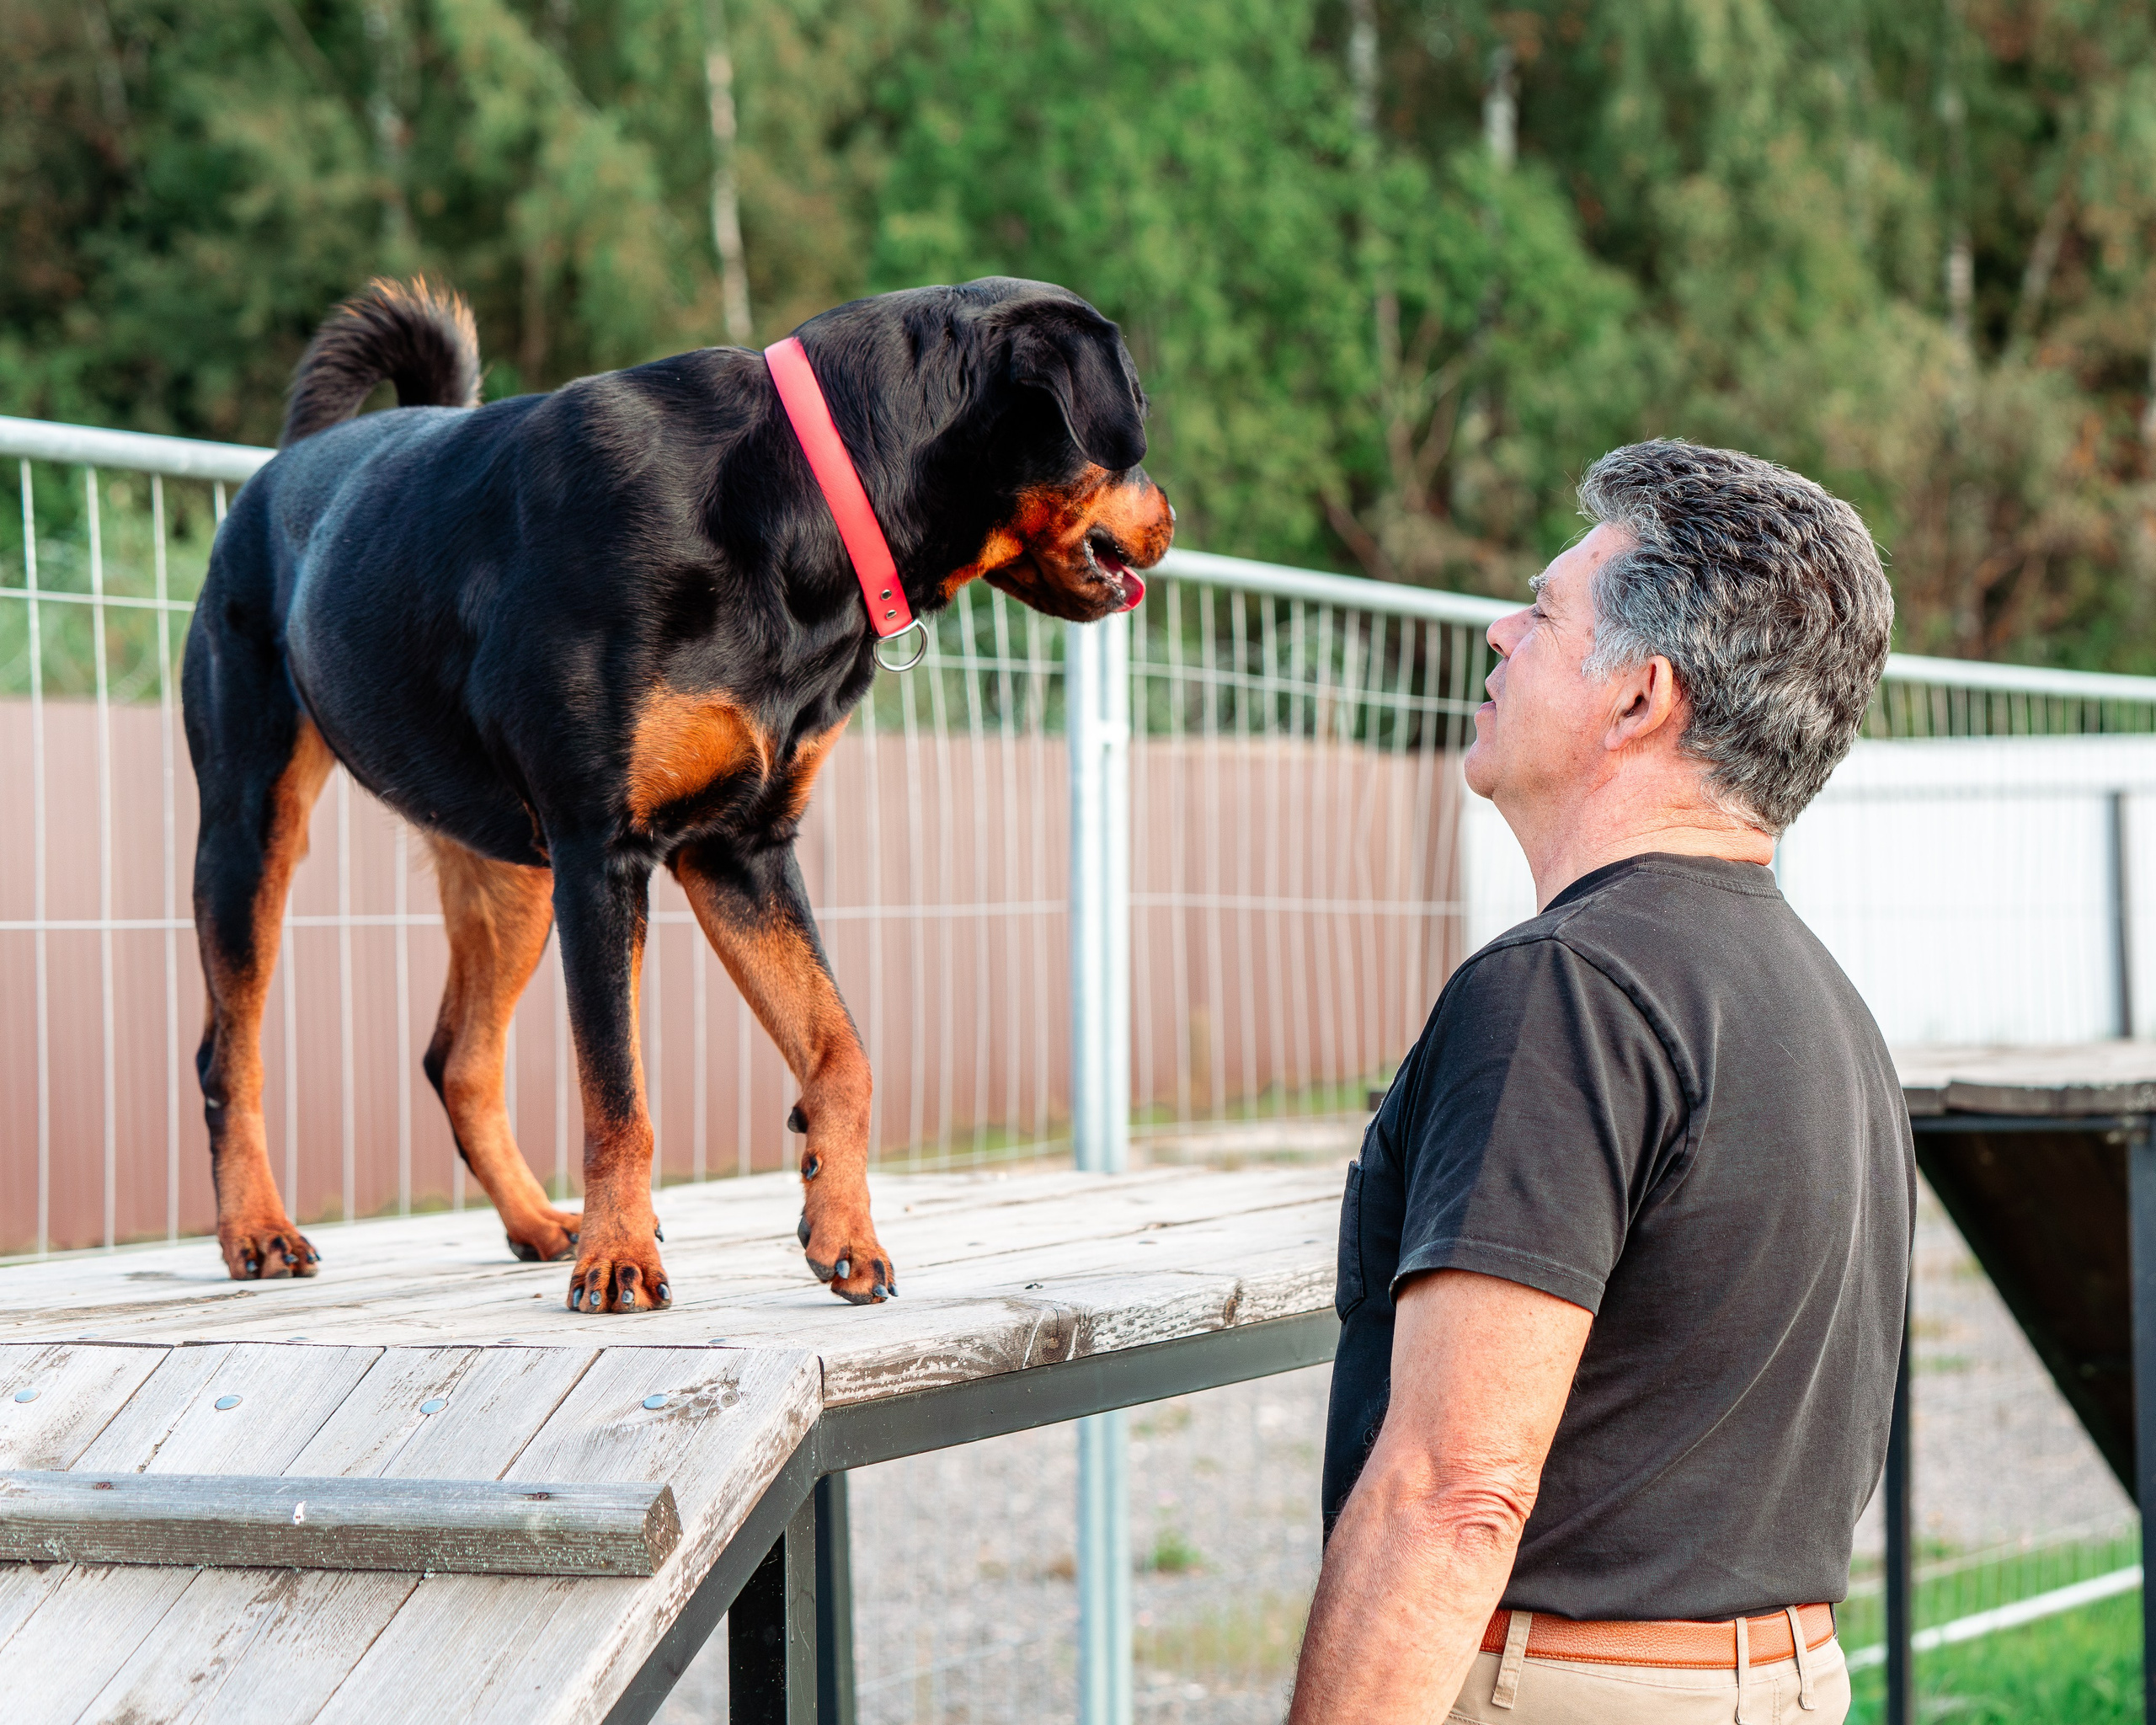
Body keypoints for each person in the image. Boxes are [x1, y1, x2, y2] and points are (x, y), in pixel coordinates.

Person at [1287, 441, 1912, 1725]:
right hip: (1782, 1686)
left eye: (1545, 610)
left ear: (1640, 699)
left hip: (1573, 1690)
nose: (1499, 631)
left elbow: (1454, 1495)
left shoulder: (1562, 992)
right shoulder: (1827, 1006)